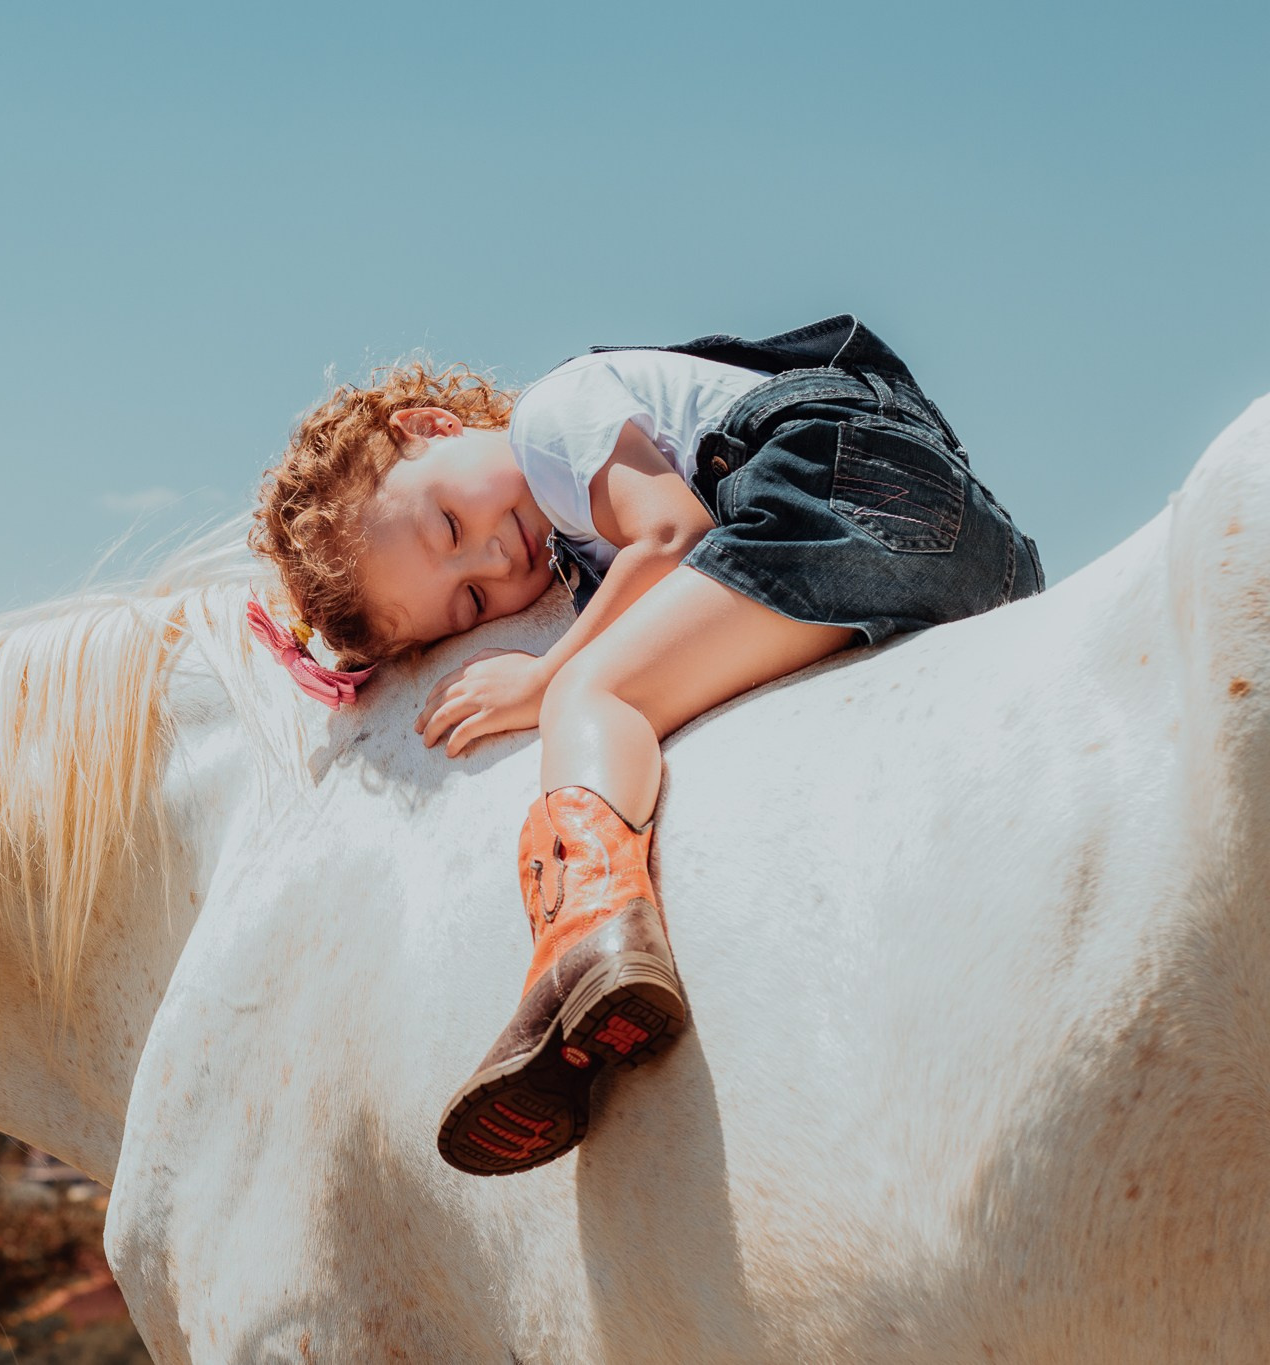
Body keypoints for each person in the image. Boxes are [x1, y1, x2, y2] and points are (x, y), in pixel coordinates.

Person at [250, 316, 1044, 1176]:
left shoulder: (552, 422)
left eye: (447, 524)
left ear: (432, 426)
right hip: (973, 542)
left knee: (596, 694)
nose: (490, 556)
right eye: (473, 602)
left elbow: (672, 531)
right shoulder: (570, 520)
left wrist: (547, 673)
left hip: (840, 486)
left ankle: (584, 939)